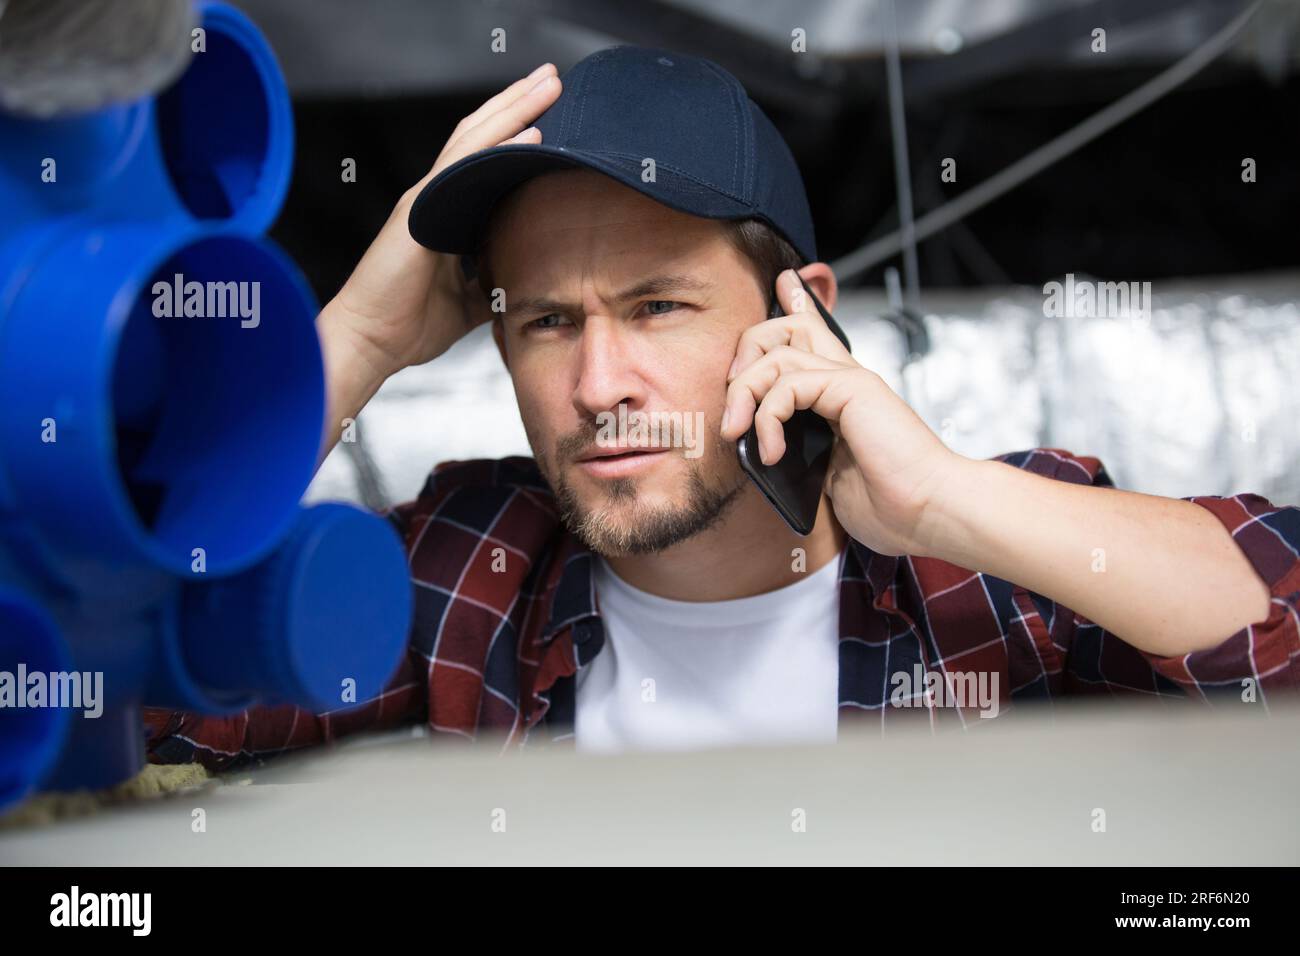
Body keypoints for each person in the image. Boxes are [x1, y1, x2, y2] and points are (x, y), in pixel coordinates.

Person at [146, 46, 1300, 767]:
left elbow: (1277, 637)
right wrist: (352, 339)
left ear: (800, 315)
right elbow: (119, 693)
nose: (599, 387)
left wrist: (947, 497)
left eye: (657, 307)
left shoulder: (977, 559)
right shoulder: (468, 570)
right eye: (549, 321)